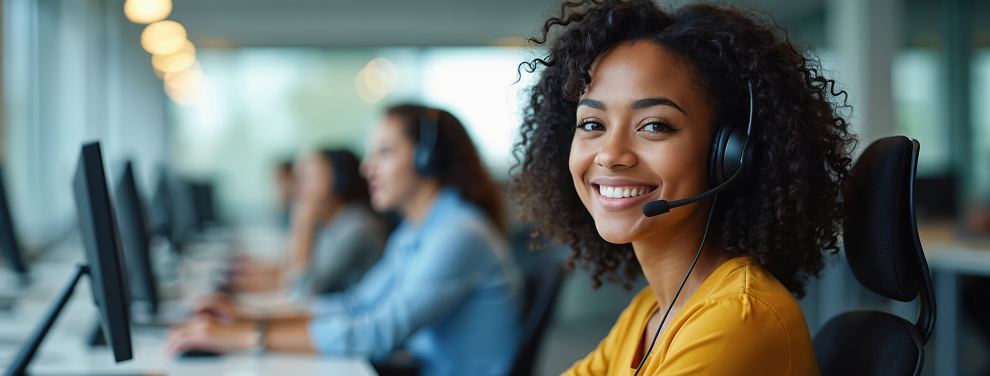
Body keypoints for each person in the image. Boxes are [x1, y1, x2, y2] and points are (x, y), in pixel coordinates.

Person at [509, 1, 857, 375]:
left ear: (731, 154)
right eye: (592, 124)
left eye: (655, 125)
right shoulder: (649, 313)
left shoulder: (739, 318)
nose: (610, 155)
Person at [166, 104, 525, 376]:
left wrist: (244, 338)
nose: (367, 166)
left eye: (384, 152)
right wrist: (247, 318)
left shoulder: (457, 233)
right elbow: (357, 305)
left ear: (426, 160)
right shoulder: (418, 230)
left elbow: (380, 332)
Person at [229, 149, 387, 296]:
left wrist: (304, 225)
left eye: (307, 178)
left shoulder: (357, 228)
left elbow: (301, 292)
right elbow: (288, 274)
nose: (297, 187)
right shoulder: (331, 224)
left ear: (339, 182)